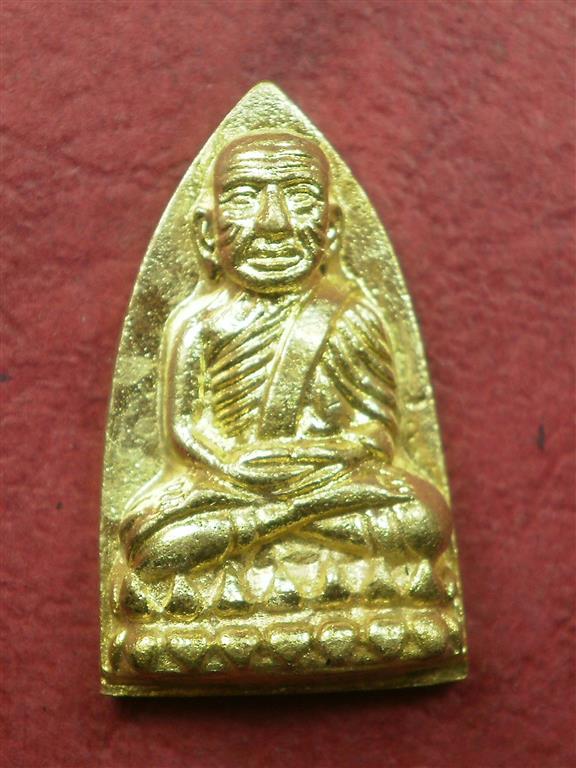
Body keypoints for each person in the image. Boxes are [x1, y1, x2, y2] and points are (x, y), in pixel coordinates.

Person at [118, 132, 451, 605]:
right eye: (243, 198)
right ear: (207, 233)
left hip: (327, 481)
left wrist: (330, 455)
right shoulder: (199, 325)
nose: (273, 222)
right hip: (233, 486)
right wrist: (230, 465)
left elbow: (378, 431)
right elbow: (184, 429)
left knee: (426, 517)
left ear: (332, 228)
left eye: (299, 198)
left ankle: (273, 529)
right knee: (151, 538)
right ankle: (293, 531)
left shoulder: (350, 315)